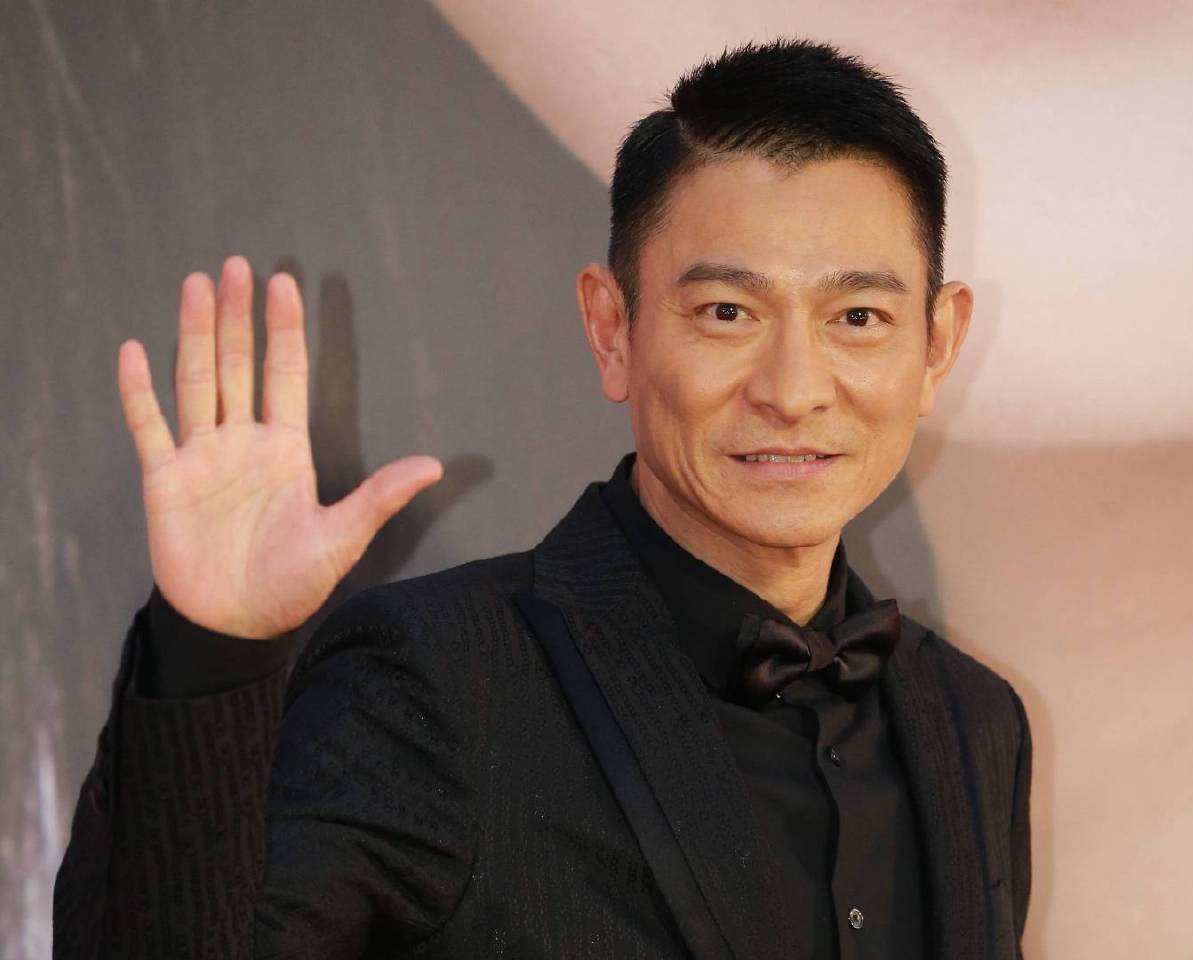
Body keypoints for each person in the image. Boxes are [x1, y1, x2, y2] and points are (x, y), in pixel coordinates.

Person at [53, 38, 1031, 960]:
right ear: (612, 330)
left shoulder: (972, 722)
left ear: (935, 345)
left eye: (857, 317)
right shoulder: (437, 686)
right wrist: (210, 650)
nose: (793, 388)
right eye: (727, 312)